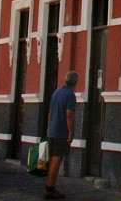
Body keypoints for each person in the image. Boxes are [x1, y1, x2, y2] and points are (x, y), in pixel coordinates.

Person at [44, 70, 79, 200]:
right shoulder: (70, 95)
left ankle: (49, 185)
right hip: (61, 132)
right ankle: (49, 188)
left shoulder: (56, 92)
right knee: (56, 161)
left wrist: (49, 126)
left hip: (52, 130)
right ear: (75, 82)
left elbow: (50, 111)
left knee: (52, 159)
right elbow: (69, 114)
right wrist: (70, 132)